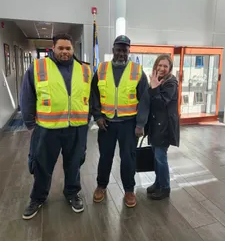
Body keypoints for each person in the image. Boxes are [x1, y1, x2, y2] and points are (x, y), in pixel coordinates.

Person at [20, 33, 92, 220]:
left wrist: (88, 120)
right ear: (53, 48)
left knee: (74, 164)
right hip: (47, 128)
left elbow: (91, 97)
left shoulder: (84, 70)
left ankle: (72, 193)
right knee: (42, 166)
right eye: (60, 48)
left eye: (68, 48)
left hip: (76, 127)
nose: (65, 52)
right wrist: (30, 123)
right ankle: (37, 198)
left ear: (73, 49)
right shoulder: (38, 67)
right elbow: (27, 95)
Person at [91, 35, 149, 208]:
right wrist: (98, 116)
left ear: (129, 51)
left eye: (125, 50)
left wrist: (140, 124)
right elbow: (94, 96)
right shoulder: (101, 69)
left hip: (129, 125)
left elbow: (144, 100)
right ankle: (101, 186)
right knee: (105, 157)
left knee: (128, 158)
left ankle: (129, 190)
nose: (121, 53)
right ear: (113, 50)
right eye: (119, 49)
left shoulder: (137, 71)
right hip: (106, 124)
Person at [136, 54, 180, 200]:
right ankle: (158, 182)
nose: (161, 68)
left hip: (164, 126)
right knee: (156, 156)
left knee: (161, 157)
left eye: (165, 66)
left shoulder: (171, 83)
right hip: (156, 125)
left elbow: (161, 104)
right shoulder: (157, 80)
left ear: (170, 69)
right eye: (159, 65)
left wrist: (154, 88)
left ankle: (165, 187)